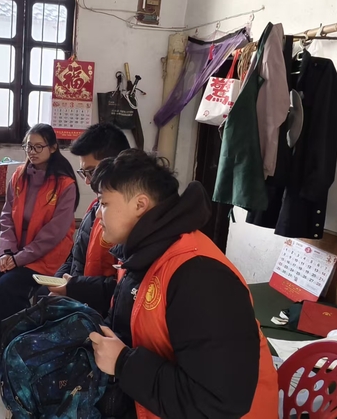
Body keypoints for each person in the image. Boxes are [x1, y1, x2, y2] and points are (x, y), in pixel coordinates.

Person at [86, 149, 278, 418]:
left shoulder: (200, 276)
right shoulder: (144, 255)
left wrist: (123, 363)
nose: (97, 215)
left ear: (140, 205)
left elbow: (218, 402)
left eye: (104, 203)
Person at [0, 123, 80, 358]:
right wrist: (7, 252)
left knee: (8, 285)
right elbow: (7, 216)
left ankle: (16, 341)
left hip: (47, 255)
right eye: (28, 146)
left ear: (53, 148)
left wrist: (18, 259)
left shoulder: (65, 185)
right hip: (15, 251)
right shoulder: (19, 176)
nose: (32, 152)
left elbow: (53, 234)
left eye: (38, 147)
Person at [47, 123, 131, 316]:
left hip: (101, 312)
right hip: (80, 299)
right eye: (83, 173)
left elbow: (121, 286)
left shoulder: (129, 219)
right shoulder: (94, 207)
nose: (87, 181)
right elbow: (75, 256)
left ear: (115, 164)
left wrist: (73, 288)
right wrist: (57, 282)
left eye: (92, 172)